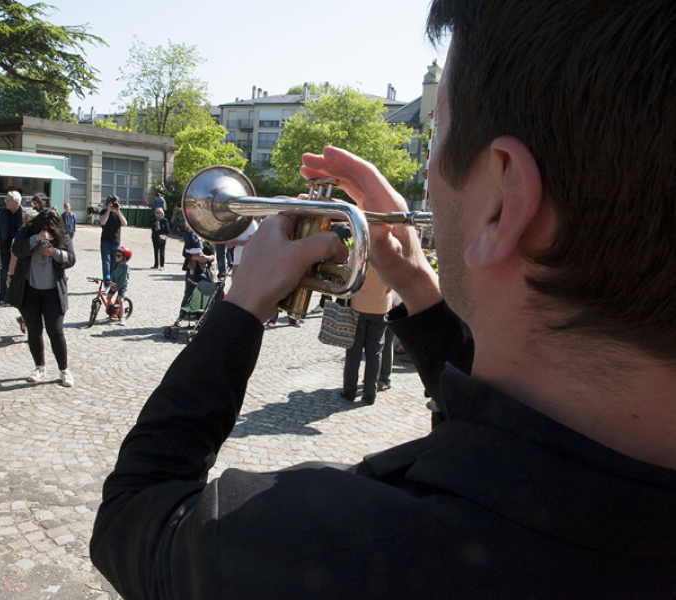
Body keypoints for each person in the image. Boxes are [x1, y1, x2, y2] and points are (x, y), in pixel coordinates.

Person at [90, 2, 676, 597]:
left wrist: (242, 303)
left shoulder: (326, 548)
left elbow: (134, 512)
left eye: (438, 134)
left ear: (502, 200)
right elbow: (510, 448)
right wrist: (422, 289)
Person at [7, 209, 76, 387]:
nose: (46, 232)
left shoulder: (62, 235)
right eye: (42, 228)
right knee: (34, 330)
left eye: (49, 229)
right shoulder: (27, 231)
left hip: (53, 291)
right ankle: (39, 367)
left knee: (56, 331)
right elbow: (16, 249)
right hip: (29, 290)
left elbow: (71, 259)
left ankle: (64, 369)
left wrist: (55, 253)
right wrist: (35, 238)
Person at [340, 268, 392, 405]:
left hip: (358, 305)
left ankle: (349, 391)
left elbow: (347, 274)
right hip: (381, 306)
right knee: (375, 353)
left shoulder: (361, 250)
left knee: (353, 351)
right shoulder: (387, 253)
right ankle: (370, 394)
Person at [0, 191, 24, 305]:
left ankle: (15, 297)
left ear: (16, 203)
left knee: (17, 274)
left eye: (8, 200)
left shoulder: (25, 213)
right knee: (3, 273)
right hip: (5, 247)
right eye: (5, 200)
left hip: (19, 250)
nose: (5, 202)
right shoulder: (1, 212)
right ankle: (3, 297)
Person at [98, 194, 127, 281]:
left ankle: (112, 283)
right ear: (108, 203)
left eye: (116, 203)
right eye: (112, 203)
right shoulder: (103, 212)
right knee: (106, 263)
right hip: (105, 241)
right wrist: (108, 210)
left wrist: (118, 211)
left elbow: (125, 224)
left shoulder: (119, 213)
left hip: (116, 242)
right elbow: (102, 222)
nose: (114, 205)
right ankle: (107, 281)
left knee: (115, 263)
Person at [107, 246, 131, 321]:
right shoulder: (116, 264)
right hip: (115, 284)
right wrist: (111, 283)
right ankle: (112, 310)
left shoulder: (126, 266)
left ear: (125, 257)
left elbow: (124, 278)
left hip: (122, 285)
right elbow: (113, 274)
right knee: (108, 296)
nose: (116, 257)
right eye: (116, 255)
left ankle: (122, 316)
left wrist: (118, 286)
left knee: (120, 299)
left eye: (119, 256)